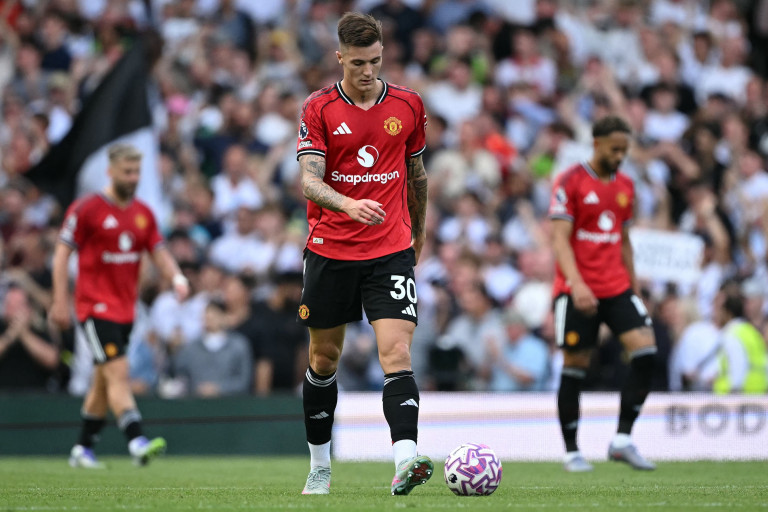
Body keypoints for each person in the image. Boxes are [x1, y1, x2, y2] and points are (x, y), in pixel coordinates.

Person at [295, 12, 431, 496]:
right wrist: (349, 204)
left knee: (397, 352)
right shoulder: (319, 108)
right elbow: (309, 180)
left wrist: (419, 233)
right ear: (340, 58)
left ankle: (406, 460)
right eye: (358, 63)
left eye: (375, 60)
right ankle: (320, 466)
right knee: (324, 358)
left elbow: (416, 175)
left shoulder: (409, 104)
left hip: (390, 250)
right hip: (331, 250)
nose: (368, 71)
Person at [49, 144, 190, 469]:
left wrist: (177, 278)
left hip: (126, 310)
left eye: (137, 172)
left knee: (103, 378)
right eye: (127, 172)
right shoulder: (87, 209)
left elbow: (159, 251)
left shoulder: (143, 213)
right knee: (118, 372)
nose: (133, 178)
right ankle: (137, 439)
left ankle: (82, 448)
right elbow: (61, 253)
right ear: (110, 172)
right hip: (94, 307)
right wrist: (59, 301)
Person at [548, 116, 657, 473]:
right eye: (614, 149)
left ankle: (622, 440)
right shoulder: (570, 181)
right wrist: (577, 284)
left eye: (625, 150)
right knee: (575, 366)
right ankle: (571, 451)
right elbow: (560, 240)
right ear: (596, 144)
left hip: (617, 286)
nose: (620, 156)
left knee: (646, 353)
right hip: (576, 290)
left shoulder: (626, 185)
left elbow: (624, 241)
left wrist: (635, 288)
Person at [173, 299, 252, 397]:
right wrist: (175, 350)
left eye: (214, 315)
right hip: (197, 402)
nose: (210, 319)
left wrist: (219, 388)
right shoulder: (190, 347)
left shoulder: (239, 345)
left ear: (224, 317)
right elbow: (179, 375)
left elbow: (244, 381)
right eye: (207, 316)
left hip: (230, 403)